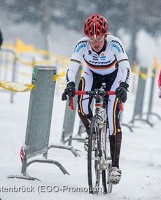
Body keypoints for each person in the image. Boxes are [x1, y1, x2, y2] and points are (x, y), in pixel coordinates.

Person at [61, 14, 131, 184]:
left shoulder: (115, 43)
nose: (95, 42)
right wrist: (70, 84)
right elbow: (72, 68)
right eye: (91, 39)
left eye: (99, 37)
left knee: (113, 118)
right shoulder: (82, 44)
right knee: (82, 107)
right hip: (91, 74)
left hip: (113, 77)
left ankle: (115, 166)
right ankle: (92, 133)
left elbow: (126, 68)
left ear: (105, 35)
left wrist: (124, 86)